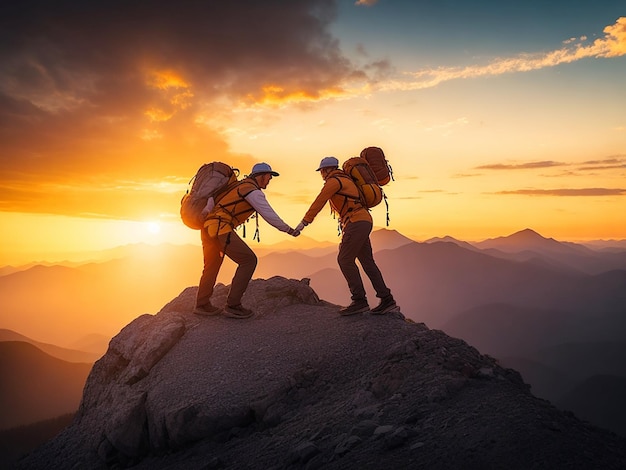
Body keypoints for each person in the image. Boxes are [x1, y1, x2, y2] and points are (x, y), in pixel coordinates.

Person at [195, 162, 299, 319]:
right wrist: (289, 230)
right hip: (221, 229)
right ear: (261, 176)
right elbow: (269, 214)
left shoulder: (238, 186)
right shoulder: (252, 191)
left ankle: (202, 305)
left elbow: (213, 199)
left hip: (208, 228)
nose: (270, 180)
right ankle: (233, 305)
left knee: (212, 265)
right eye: (269, 177)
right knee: (249, 260)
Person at [295, 156, 397, 316]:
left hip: (356, 222)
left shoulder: (333, 181)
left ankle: (359, 301)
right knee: (367, 262)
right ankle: (386, 299)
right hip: (363, 221)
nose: (321, 174)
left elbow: (319, 202)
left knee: (344, 259)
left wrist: (304, 223)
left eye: (321, 171)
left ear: (326, 170)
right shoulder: (346, 179)